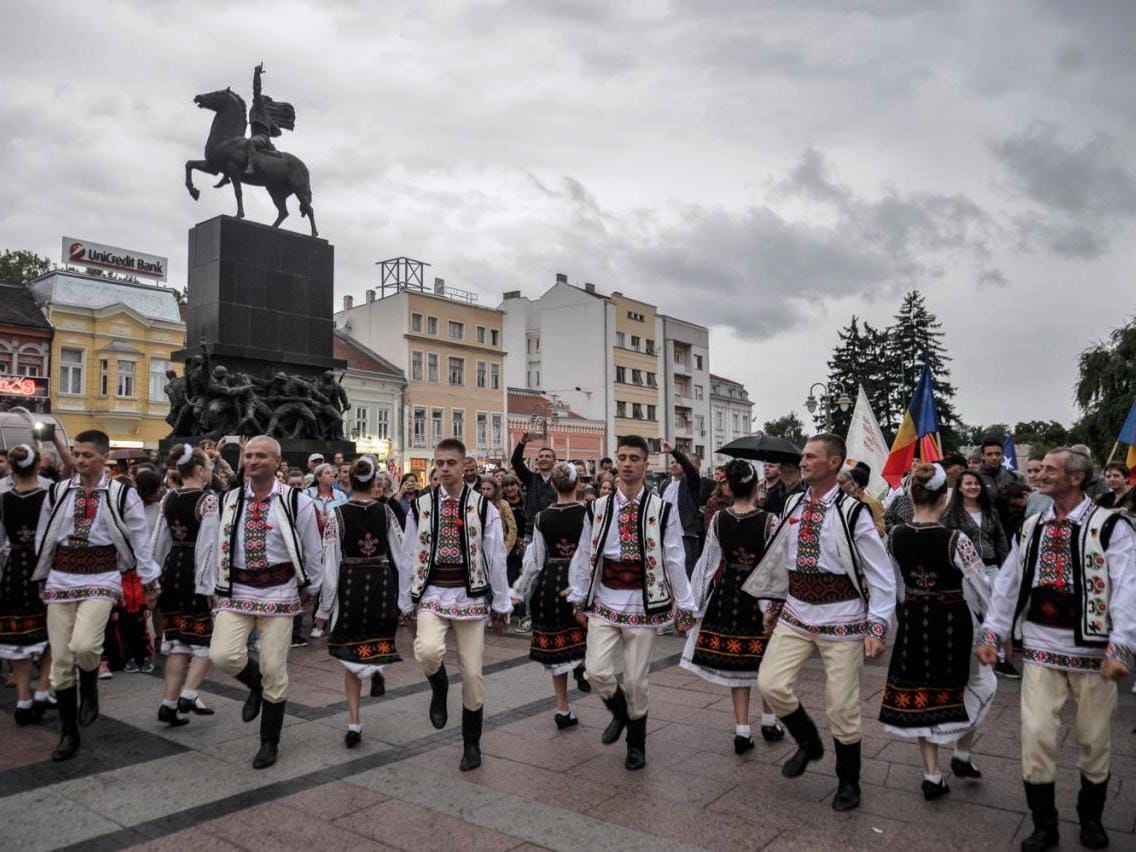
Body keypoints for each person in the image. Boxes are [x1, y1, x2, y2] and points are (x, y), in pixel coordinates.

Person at [977, 448, 1135, 852]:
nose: (1040, 474)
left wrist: (1122, 645)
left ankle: (1091, 819)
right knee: (1036, 736)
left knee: (1094, 739)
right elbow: (1009, 582)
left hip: (1095, 655)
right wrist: (993, 632)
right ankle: (1044, 825)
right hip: (1042, 647)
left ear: (1076, 478)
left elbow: (1128, 586)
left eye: (1050, 469)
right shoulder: (1032, 526)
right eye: (1041, 468)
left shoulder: (1110, 526)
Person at [749, 433, 896, 812]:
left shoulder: (853, 513)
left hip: (842, 616)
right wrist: (773, 601)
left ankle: (849, 782)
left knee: (842, 705)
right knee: (770, 682)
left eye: (812, 456)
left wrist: (877, 625)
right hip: (797, 610)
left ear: (835, 463)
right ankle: (809, 741)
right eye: (804, 456)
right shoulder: (794, 501)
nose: (803, 461)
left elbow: (881, 575)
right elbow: (781, 555)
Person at [567, 435, 697, 771]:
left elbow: (674, 558)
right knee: (595, 670)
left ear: (646, 464)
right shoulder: (596, 508)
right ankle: (621, 713)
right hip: (605, 599)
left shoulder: (663, 510)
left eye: (634, 458)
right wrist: (579, 595)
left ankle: (635, 743)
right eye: (621, 457)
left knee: (637, 680)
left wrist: (685, 606)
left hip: (644, 602)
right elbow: (584, 554)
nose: (626, 464)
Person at [33, 430, 161, 761]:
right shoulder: (59, 491)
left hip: (102, 574)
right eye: (76, 454)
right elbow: (44, 534)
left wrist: (148, 581)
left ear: (104, 457)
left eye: (86, 454)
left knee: (85, 645)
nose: (78, 460)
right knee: (61, 660)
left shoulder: (121, 494)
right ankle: (68, 732)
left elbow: (140, 539)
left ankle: (89, 685)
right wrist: (41, 572)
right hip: (61, 576)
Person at [879, 463, 996, 800]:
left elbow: (895, 582)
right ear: (944, 498)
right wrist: (991, 624)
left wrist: (905, 607)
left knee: (921, 693)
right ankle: (961, 751)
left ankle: (932, 773)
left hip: (915, 619)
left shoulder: (896, 536)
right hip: (952, 621)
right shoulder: (955, 540)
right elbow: (980, 585)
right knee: (979, 682)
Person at [207, 436, 323, 769]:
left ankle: (269, 741)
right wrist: (216, 582)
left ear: (276, 462)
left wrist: (312, 588)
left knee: (275, 668)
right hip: (239, 589)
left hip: (280, 589)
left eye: (261, 456)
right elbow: (217, 542)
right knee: (223, 654)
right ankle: (256, 686)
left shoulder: (295, 501)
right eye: (249, 455)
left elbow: (311, 547)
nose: (253, 461)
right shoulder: (228, 499)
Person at [400, 438, 512, 771]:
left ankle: (471, 744)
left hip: (470, 595)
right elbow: (408, 554)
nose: (444, 468)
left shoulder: (483, 506)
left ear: (464, 465)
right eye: (440, 463)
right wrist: (405, 600)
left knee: (474, 675)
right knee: (428, 651)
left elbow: (496, 556)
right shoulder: (421, 505)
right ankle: (439, 686)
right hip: (433, 592)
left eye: (451, 462)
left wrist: (502, 605)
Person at [682, 458, 784, 752]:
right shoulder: (769, 521)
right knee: (767, 661)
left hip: (728, 594)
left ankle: (742, 729)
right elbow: (775, 566)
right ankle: (768, 720)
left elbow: (707, 564)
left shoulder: (719, 519)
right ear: (755, 486)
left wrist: (695, 604)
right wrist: (777, 604)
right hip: (759, 596)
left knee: (737, 668)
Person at [315, 457, 405, 748]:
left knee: (351, 655)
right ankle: (377, 669)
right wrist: (406, 596)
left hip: (351, 582)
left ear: (348, 481)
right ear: (374, 483)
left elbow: (330, 565)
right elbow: (401, 552)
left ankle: (354, 723)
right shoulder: (386, 512)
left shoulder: (337, 516)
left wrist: (324, 609)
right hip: (380, 580)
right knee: (377, 638)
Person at [510, 462, 590, 729]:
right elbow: (592, 554)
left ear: (553, 485)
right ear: (577, 484)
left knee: (556, 649)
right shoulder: (588, 513)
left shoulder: (542, 517)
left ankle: (563, 708)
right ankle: (583, 665)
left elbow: (534, 561)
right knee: (587, 638)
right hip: (579, 583)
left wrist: (519, 590)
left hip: (551, 584)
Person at [151, 444, 220, 725]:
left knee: (178, 641)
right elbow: (209, 546)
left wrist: (156, 575)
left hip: (172, 570)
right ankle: (188, 695)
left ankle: (168, 703)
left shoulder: (168, 498)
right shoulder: (208, 501)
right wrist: (209, 587)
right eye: (209, 467)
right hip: (195, 572)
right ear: (200, 470)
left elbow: (159, 541)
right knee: (208, 641)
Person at [941, 470, 1016, 677]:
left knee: (997, 609)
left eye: (977, 483)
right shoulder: (951, 514)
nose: (973, 487)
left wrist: (1007, 566)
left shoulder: (990, 511)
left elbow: (1000, 539)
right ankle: (970, 654)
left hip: (992, 567)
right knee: (972, 613)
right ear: (960, 488)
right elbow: (946, 542)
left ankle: (1002, 658)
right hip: (966, 572)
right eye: (968, 484)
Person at [0, 444, 54, 725]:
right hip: (44, 569)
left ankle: (23, 699)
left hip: (13, 569)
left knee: (17, 635)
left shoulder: (2, 497)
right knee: (52, 631)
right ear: (37, 466)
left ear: (11, 467)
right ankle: (43, 688)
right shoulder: (48, 496)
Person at [659, 441, 704, 577]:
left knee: (687, 573)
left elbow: (689, 468)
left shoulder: (691, 482)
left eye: (677, 462)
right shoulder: (665, 484)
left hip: (686, 535)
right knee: (668, 572)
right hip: (667, 535)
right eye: (672, 462)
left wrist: (673, 451)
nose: (674, 464)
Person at [510, 435, 557, 531]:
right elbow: (516, 461)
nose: (543, 459)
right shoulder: (531, 479)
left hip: (553, 528)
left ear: (554, 461)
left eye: (547, 456)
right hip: (532, 529)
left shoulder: (559, 481)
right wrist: (522, 443)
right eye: (541, 456)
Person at [839, 463, 885, 537]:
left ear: (862, 486)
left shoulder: (872, 503)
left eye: (852, 482)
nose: (847, 484)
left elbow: (881, 530)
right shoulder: (843, 501)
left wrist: (860, 528)